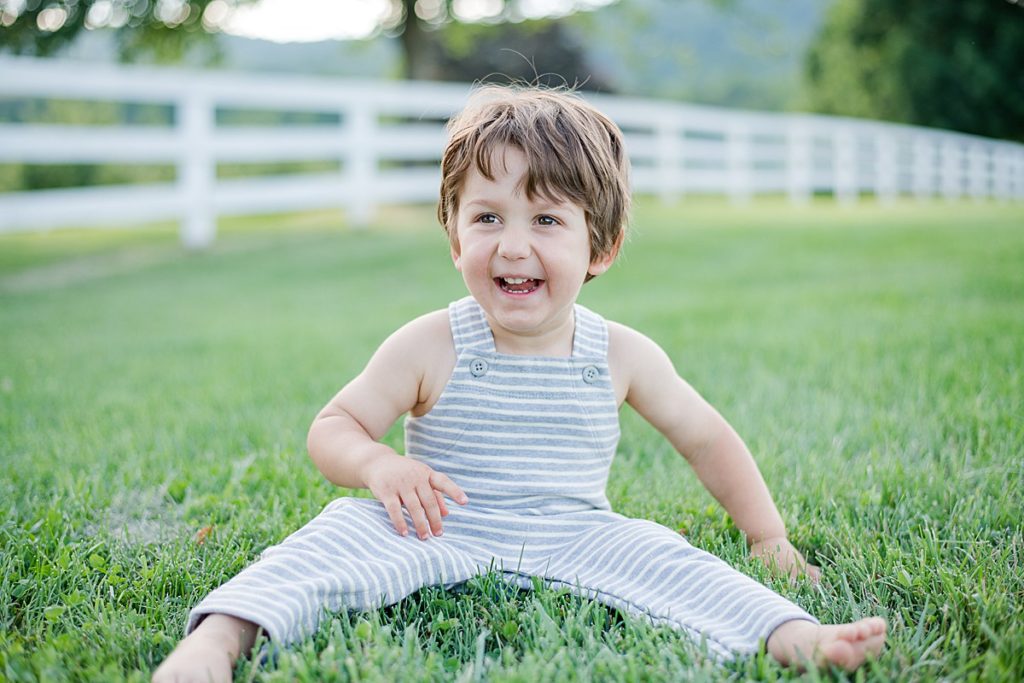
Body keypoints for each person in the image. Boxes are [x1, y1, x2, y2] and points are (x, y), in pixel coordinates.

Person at [153, 85, 886, 682]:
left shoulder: (619, 354)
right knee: (331, 538)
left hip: (577, 531)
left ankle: (794, 636)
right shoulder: (432, 342)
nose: (512, 245)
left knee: (669, 558)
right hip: (435, 525)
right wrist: (380, 465)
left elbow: (704, 437)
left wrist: (767, 534)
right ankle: (216, 642)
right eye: (487, 217)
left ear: (600, 245)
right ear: (454, 236)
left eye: (545, 218)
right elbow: (333, 425)